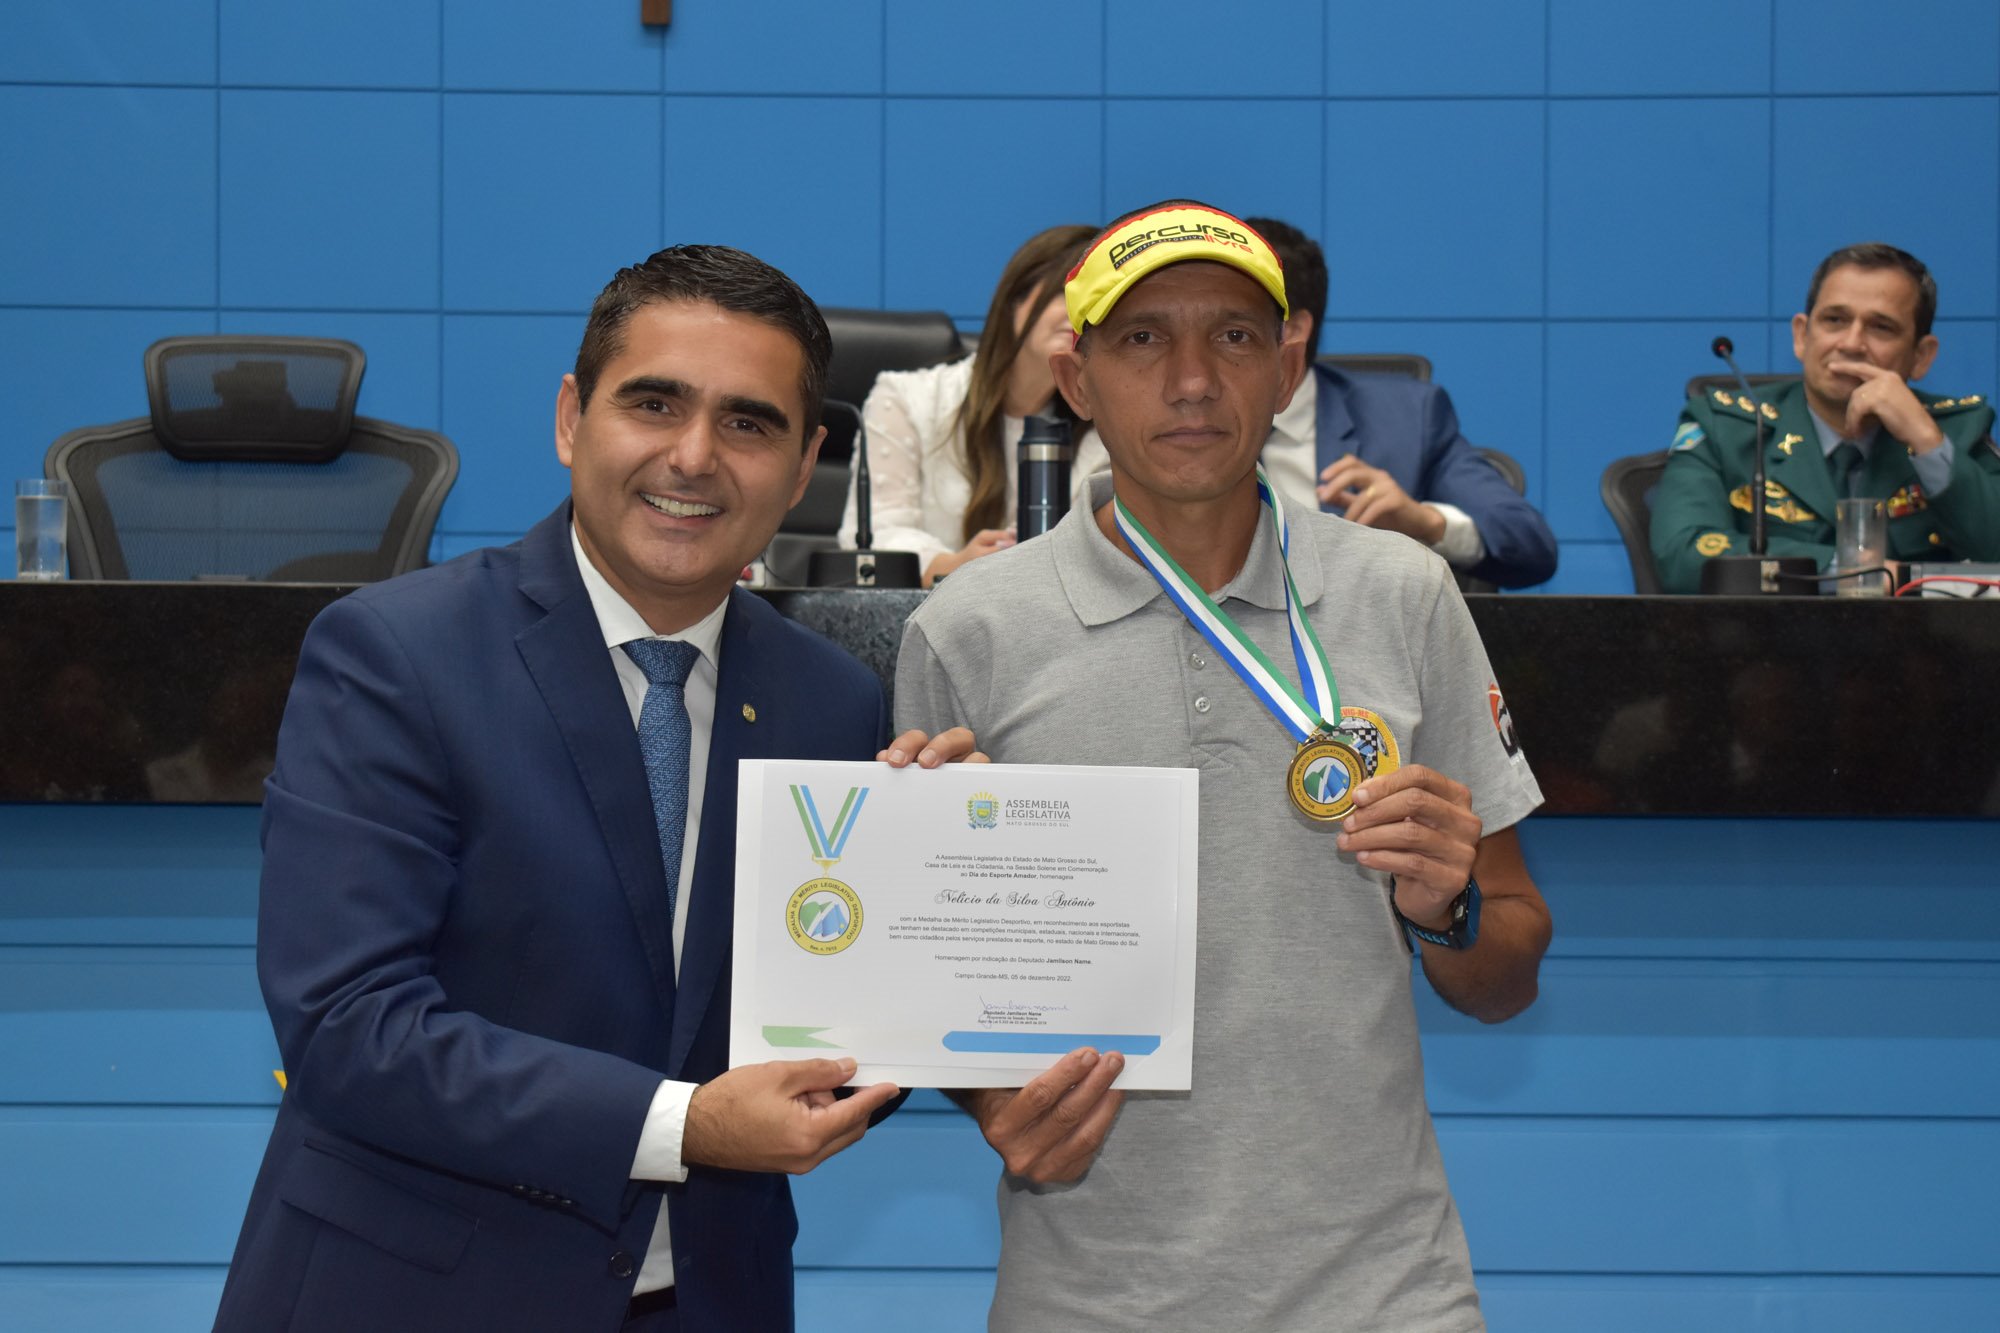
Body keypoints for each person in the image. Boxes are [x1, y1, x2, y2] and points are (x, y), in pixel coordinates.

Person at [214, 245, 978, 1332]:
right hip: (417, 1297)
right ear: (573, 418)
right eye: (653, 403)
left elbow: (820, 1035)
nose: (694, 456)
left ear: (806, 461)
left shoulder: (829, 698)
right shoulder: (395, 655)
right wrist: (683, 1124)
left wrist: (940, 884)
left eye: (748, 422)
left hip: (707, 1300)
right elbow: (349, 1026)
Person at [895, 202, 1554, 1331]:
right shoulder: (969, 628)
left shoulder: (1402, 593)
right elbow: (937, 998)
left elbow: (1507, 974)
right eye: (1142, 338)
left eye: (1235, 337)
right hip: (1088, 1298)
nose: (1193, 379)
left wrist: (1447, 909)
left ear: (1288, 368)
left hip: (1382, 1293)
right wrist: (987, 1091)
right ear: (1075, 378)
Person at [1652, 241, 2000, 593]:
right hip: (1763, 630)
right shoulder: (1724, 428)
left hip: (1917, 631)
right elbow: (1683, 555)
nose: (1851, 343)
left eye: (1881, 327)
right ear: (1801, 336)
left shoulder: (1957, 432)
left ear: (1921, 356)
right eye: (1835, 320)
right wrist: (1856, 572)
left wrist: (1926, 442)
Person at [1243, 216, 1557, 589]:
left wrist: (1424, 522)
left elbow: (1529, 544)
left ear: (1293, 330)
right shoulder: (1186, 418)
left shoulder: (1408, 420)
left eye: (1233, 330)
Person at [837, 223, 1098, 587]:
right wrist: (955, 565)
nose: (1078, 313)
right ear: (1015, 300)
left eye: (1094, 303)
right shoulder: (906, 398)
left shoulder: (1101, 422)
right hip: (924, 609)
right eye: (1066, 293)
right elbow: (873, 534)